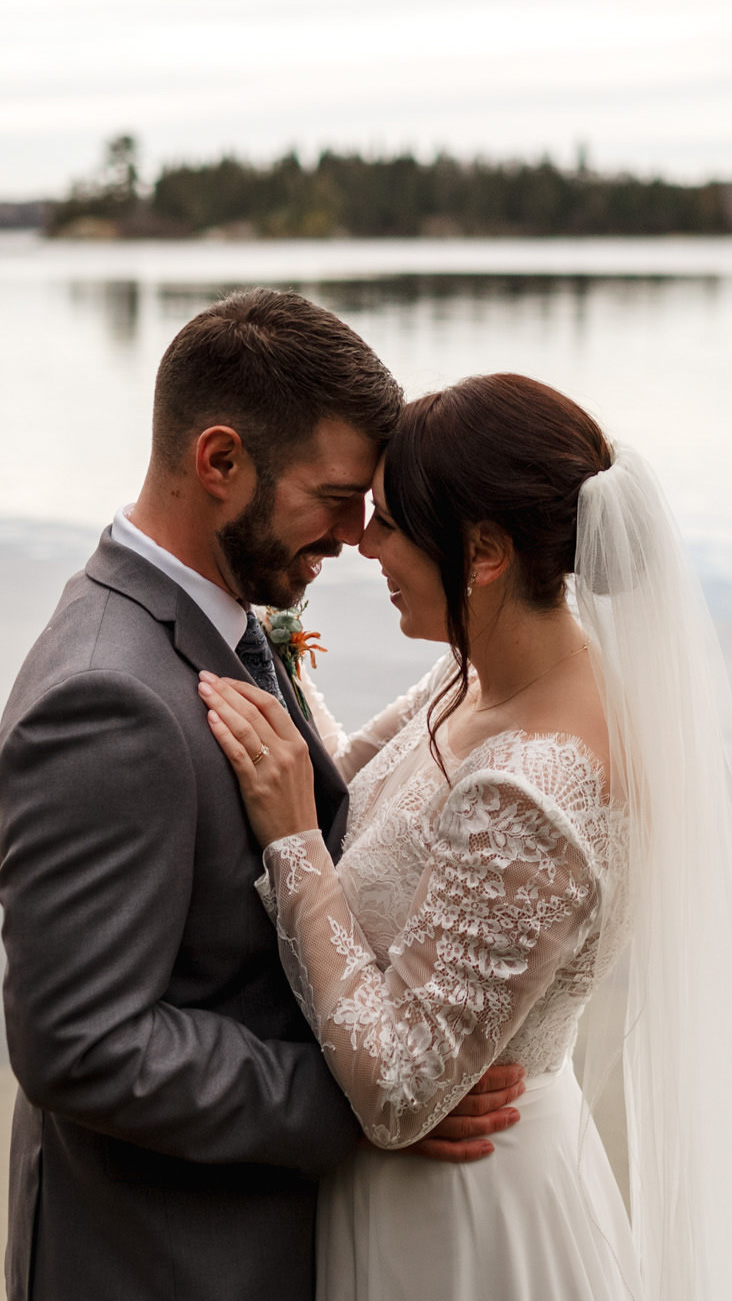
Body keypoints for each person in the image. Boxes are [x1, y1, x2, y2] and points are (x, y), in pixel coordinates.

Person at [0, 295, 523, 1301]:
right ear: (220, 461)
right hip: (168, 1256)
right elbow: (81, 1043)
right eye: (335, 495)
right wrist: (364, 1102)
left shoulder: (222, 616)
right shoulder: (108, 698)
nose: (359, 533)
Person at [199, 372, 732, 1301]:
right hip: (404, 1189)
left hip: (462, 1217)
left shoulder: (541, 787)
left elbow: (402, 1087)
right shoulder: (474, 679)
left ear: (482, 550)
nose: (363, 544)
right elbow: (349, 777)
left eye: (391, 524)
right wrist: (264, 639)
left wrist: (292, 843)